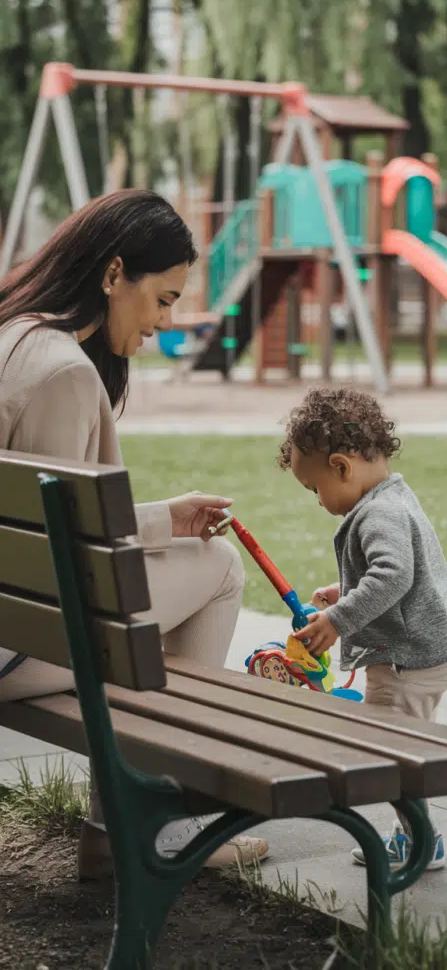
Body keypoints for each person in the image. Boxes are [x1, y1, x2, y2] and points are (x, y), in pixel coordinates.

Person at [0, 189, 268, 874]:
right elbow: (71, 556)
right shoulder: (62, 370)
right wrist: (168, 527)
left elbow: (51, 524)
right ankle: (150, 826)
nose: (163, 320)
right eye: (165, 298)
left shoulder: (13, 336)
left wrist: (161, 518)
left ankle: (124, 822)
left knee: (167, 589)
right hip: (12, 646)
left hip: (12, 618)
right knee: (218, 568)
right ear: (114, 274)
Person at [277, 386, 447, 870]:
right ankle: (414, 832)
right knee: (401, 741)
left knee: (392, 747)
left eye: (315, 488)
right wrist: (344, 592)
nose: (319, 501)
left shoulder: (378, 513)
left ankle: (420, 839)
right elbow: (391, 575)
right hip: (429, 644)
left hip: (410, 657)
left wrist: (338, 620)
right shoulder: (393, 496)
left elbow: (392, 576)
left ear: (342, 467)